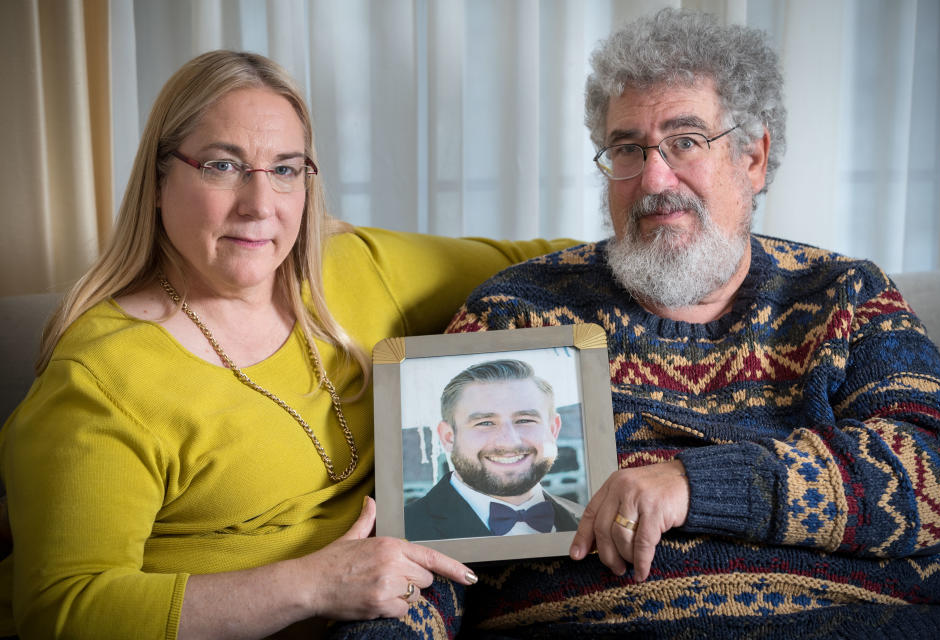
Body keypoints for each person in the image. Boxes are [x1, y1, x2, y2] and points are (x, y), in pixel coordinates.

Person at [423, 8, 940, 638]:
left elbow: (938, 475)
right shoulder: (513, 314)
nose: (654, 178)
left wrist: (694, 483)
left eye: (685, 141)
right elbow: (426, 553)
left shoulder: (845, 297)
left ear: (752, 158)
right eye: (627, 147)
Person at [0, 50, 572, 639]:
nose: (260, 205)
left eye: (285, 169)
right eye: (223, 166)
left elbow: (555, 265)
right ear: (158, 180)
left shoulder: (357, 271)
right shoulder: (102, 377)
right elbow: (62, 611)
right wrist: (315, 584)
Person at [404, 359, 583, 541]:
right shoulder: (403, 531)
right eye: (485, 423)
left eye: (525, 420)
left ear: (553, 429)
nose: (508, 442)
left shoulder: (586, 521)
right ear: (449, 437)